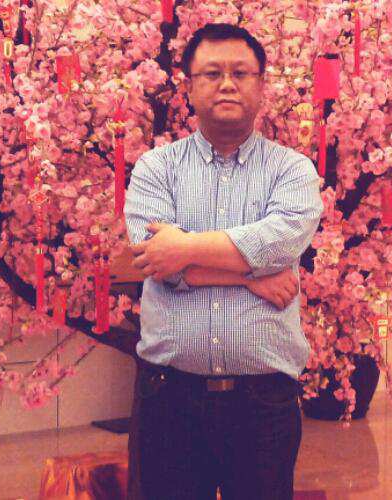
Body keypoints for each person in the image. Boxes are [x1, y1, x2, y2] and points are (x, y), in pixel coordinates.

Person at [124, 23, 323, 500]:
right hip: (169, 397)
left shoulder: (292, 169)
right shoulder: (156, 167)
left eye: (241, 73)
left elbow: (280, 245)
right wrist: (251, 277)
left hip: (263, 402)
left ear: (262, 85)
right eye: (212, 73)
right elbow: (153, 259)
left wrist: (185, 248)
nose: (227, 84)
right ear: (189, 88)